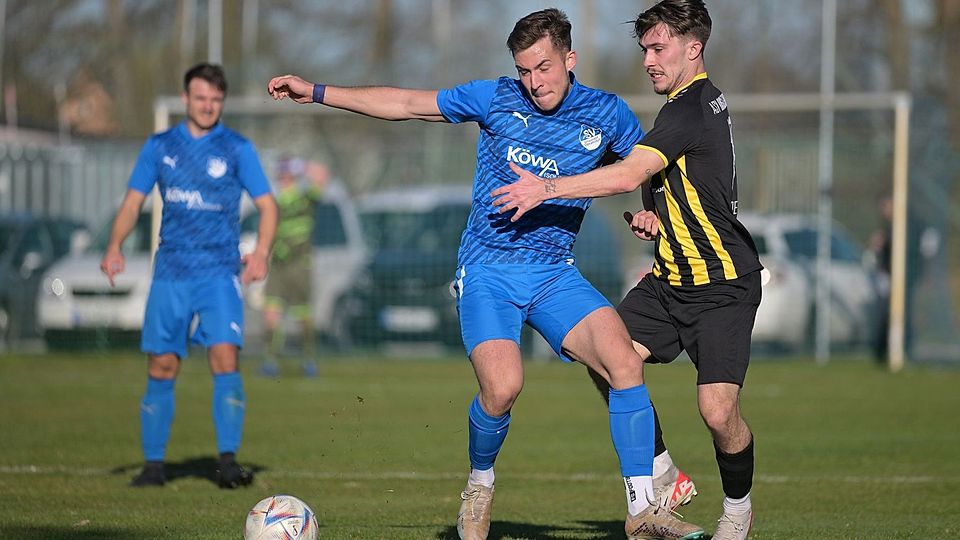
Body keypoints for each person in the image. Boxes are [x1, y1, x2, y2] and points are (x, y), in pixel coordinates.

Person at [267, 8, 703, 540]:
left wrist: (645, 209)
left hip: (554, 273)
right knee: (502, 388)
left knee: (622, 361)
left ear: (570, 59)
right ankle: (479, 485)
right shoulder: (495, 97)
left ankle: (643, 511)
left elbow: (641, 167)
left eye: (543, 67)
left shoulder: (607, 113)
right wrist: (314, 91)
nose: (533, 81)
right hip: (489, 271)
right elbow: (405, 103)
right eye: (524, 70)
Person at [491, 2, 761, 539]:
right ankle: (662, 474)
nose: (649, 61)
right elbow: (677, 178)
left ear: (694, 48)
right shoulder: (688, 107)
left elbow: (627, 172)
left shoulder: (691, 108)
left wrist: (544, 187)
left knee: (717, 412)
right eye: (645, 50)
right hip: (668, 283)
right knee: (602, 352)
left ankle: (737, 510)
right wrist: (656, 213)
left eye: (659, 49)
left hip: (723, 286)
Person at [100, 63, 278, 489]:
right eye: (201, 98)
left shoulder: (236, 148)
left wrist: (261, 254)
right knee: (161, 365)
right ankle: (154, 467)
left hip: (219, 274)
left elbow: (268, 205)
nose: (208, 106)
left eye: (216, 100)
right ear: (185, 99)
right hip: (171, 273)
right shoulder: (160, 146)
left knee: (225, 357)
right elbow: (131, 203)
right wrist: (113, 247)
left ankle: (228, 464)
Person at [259, 157, 329, 378]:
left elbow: (322, 174)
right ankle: (270, 360)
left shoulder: (305, 197)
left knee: (303, 315)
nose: (285, 178)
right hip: (278, 265)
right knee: (271, 313)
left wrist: (303, 165)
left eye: (288, 174)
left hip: (300, 266)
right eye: (283, 174)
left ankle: (309, 359)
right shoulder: (273, 200)